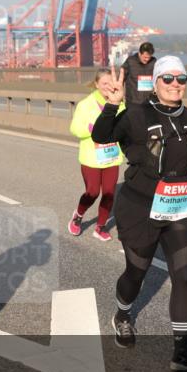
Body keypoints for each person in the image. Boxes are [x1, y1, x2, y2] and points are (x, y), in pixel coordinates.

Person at [91, 56, 187, 370]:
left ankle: (182, 351)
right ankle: (122, 315)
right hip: (141, 208)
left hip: (181, 207)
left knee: (184, 276)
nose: (176, 84)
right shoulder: (136, 114)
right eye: (169, 78)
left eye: (182, 79)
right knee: (137, 273)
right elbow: (101, 136)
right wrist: (112, 104)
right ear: (156, 81)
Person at [69, 68, 125, 242]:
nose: (108, 87)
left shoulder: (120, 104)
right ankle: (78, 215)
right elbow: (75, 129)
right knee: (92, 192)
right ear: (96, 84)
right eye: (104, 83)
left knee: (109, 193)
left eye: (111, 83)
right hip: (91, 158)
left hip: (111, 157)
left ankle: (100, 227)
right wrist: (95, 128)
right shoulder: (85, 104)